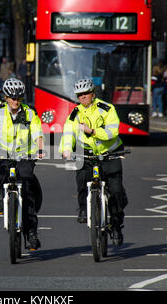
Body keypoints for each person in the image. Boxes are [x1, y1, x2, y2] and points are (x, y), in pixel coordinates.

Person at [59, 78, 128, 246]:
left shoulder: (106, 109)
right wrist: (66, 149)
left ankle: (117, 225)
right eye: (79, 95)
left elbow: (113, 131)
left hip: (109, 153)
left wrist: (92, 131)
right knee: (81, 179)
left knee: (117, 191)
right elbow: (68, 133)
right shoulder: (75, 114)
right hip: (88, 155)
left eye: (85, 93)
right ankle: (83, 208)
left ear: (93, 94)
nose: (82, 97)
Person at [0, 78, 45, 250]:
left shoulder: (30, 113)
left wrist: (40, 149)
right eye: (12, 97)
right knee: (1, 177)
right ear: (5, 97)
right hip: (3, 155)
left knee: (28, 192)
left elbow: (37, 132)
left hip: (25, 156)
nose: (16, 101)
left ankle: (31, 234)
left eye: (19, 97)